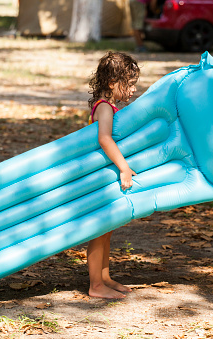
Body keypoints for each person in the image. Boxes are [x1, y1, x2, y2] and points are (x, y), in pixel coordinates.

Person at [86, 51, 140, 299]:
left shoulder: (107, 106)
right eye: (129, 84)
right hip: (99, 177)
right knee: (99, 230)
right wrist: (124, 167)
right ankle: (95, 285)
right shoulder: (105, 108)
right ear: (112, 83)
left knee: (107, 229)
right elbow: (104, 138)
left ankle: (104, 277)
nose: (133, 90)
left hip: (103, 176)